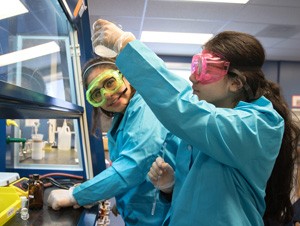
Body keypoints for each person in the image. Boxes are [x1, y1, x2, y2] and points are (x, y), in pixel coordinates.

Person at [90, 19, 300, 226]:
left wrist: (126, 45)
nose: (192, 77)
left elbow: (183, 110)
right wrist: (171, 187)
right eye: (195, 66)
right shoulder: (214, 119)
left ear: (235, 83)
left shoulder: (257, 124)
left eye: (204, 69)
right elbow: (208, 197)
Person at [47, 56, 179, 226]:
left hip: (160, 217)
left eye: (110, 83)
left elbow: (133, 166)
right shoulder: (122, 118)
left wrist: (75, 195)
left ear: (125, 76)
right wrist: (124, 200)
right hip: (143, 214)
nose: (107, 94)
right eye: (96, 93)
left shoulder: (146, 107)